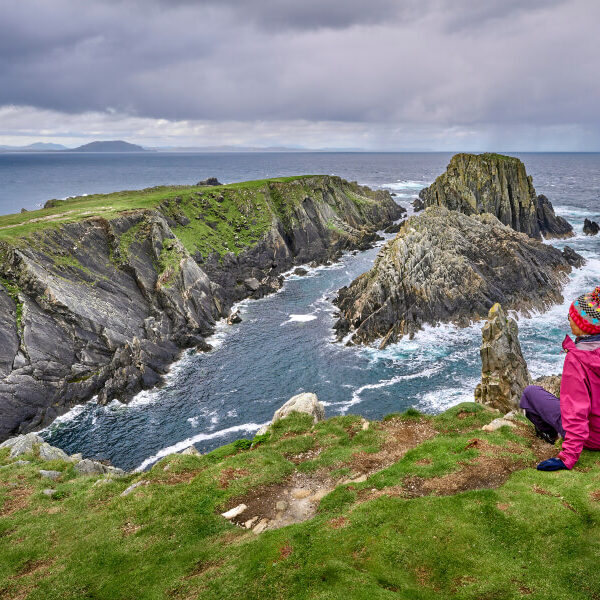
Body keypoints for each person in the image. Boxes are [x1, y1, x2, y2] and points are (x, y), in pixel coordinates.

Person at [520, 286, 600, 471]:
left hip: (593, 437)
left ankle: (551, 436)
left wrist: (568, 457)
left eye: (571, 317)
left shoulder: (577, 360)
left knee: (531, 393)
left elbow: (575, 411)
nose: (569, 320)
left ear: (583, 326)